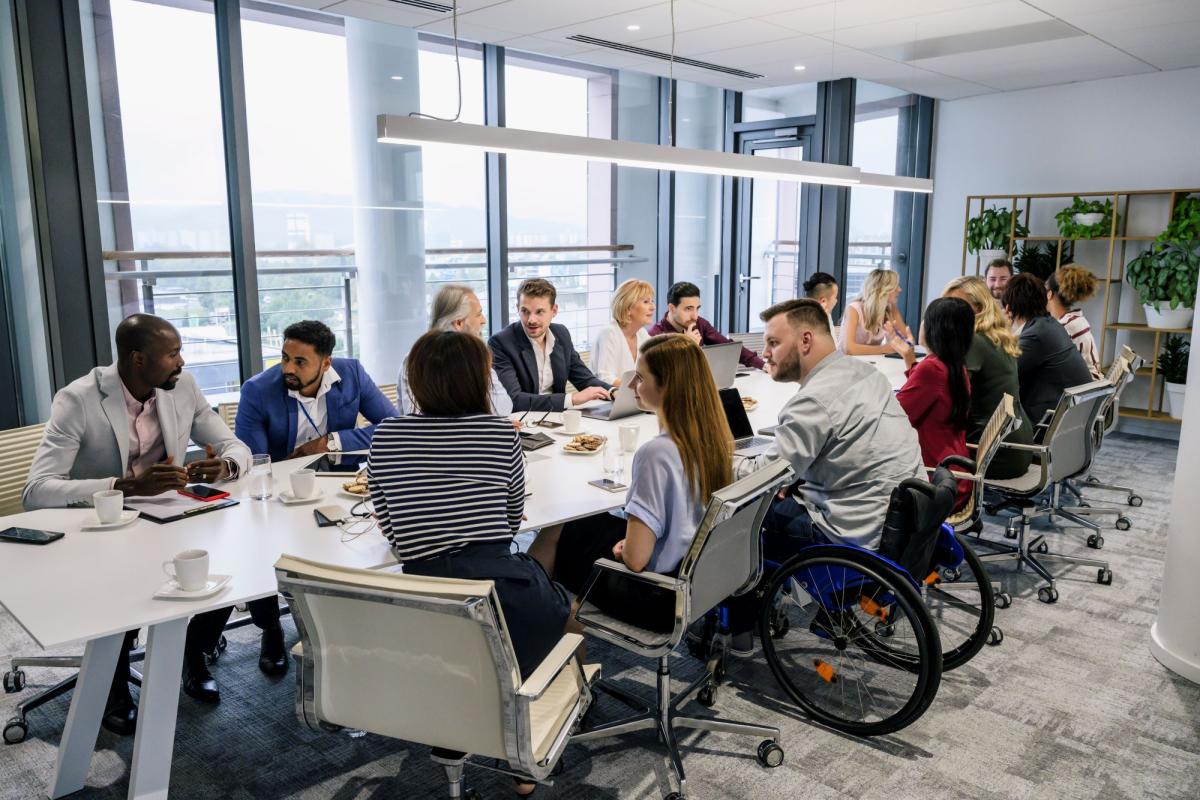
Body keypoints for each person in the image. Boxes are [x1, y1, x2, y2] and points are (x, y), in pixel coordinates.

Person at [23, 314, 251, 733]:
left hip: (169, 516)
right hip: (103, 527)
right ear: (138, 359)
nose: (182, 362)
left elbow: (235, 446)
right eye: (172, 354)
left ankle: (194, 651)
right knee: (120, 591)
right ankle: (111, 681)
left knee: (231, 564)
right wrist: (124, 486)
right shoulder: (78, 399)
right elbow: (36, 490)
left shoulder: (182, 386)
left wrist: (225, 466)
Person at [727, 298, 923, 649]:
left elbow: (758, 477)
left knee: (739, 512)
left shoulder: (814, 400)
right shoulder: (866, 374)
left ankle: (741, 625)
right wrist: (790, 477)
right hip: (897, 519)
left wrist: (712, 460)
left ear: (805, 340)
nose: (765, 353)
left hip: (848, 535)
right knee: (779, 492)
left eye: (773, 342)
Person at [533, 334, 734, 625]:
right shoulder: (711, 437)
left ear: (667, 386)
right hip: (694, 580)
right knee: (577, 521)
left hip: (653, 594)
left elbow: (636, 560)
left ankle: (531, 616)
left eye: (639, 378)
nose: (630, 386)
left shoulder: (656, 453)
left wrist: (627, 547)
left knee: (555, 529)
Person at [235, 319, 397, 675]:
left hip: (335, 486)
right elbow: (254, 463)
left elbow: (392, 425)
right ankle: (271, 630)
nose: (288, 369)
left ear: (326, 363)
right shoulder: (258, 390)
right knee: (264, 550)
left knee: (354, 546)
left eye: (300, 362)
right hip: (279, 494)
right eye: (285, 358)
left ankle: (342, 624)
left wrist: (330, 442)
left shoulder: (351, 374)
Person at [941, 276, 1034, 479]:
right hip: (1016, 445)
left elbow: (946, 396)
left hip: (992, 454)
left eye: (958, 304)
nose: (950, 311)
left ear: (980, 307)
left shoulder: (974, 341)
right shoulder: (997, 336)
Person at [891, 297, 976, 509]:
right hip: (953, 476)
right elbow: (929, 390)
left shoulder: (932, 369)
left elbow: (894, 415)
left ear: (935, 329)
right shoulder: (954, 365)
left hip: (933, 484)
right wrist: (909, 359)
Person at [488, 278, 612, 411]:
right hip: (523, 419)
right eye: (525, 311)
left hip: (558, 416)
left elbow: (584, 379)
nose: (531, 320)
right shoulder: (501, 343)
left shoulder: (561, 333)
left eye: (539, 312)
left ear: (554, 310)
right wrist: (572, 399)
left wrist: (613, 392)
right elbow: (514, 399)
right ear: (517, 308)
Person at [397, 284, 513, 416]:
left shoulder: (476, 358)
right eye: (478, 314)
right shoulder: (416, 361)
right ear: (458, 323)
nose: (483, 320)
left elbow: (504, 408)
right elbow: (416, 418)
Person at [1002, 273, 1094, 430]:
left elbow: (1004, 373)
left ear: (1009, 308)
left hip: (1049, 423)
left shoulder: (1036, 335)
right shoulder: (1049, 324)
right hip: (1071, 420)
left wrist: (1001, 329)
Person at [648, 281, 764, 369]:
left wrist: (762, 365)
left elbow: (728, 347)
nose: (695, 316)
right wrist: (687, 346)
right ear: (672, 308)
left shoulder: (699, 323)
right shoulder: (655, 335)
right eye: (688, 309)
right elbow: (664, 373)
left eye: (697, 308)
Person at [591, 279, 655, 386]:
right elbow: (605, 378)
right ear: (628, 308)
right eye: (646, 302)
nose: (653, 307)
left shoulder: (642, 333)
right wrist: (639, 388)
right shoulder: (609, 333)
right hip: (608, 394)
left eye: (652, 301)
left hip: (633, 394)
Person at [836, 268, 914, 355]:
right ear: (881, 290)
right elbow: (849, 349)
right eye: (895, 286)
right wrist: (885, 348)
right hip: (846, 361)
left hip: (873, 360)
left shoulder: (890, 308)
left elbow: (907, 342)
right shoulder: (854, 309)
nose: (899, 289)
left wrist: (893, 337)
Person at [1046, 266, 1103, 379]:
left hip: (1086, 386)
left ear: (1049, 294)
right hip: (1092, 382)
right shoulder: (1076, 320)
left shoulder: (1065, 326)